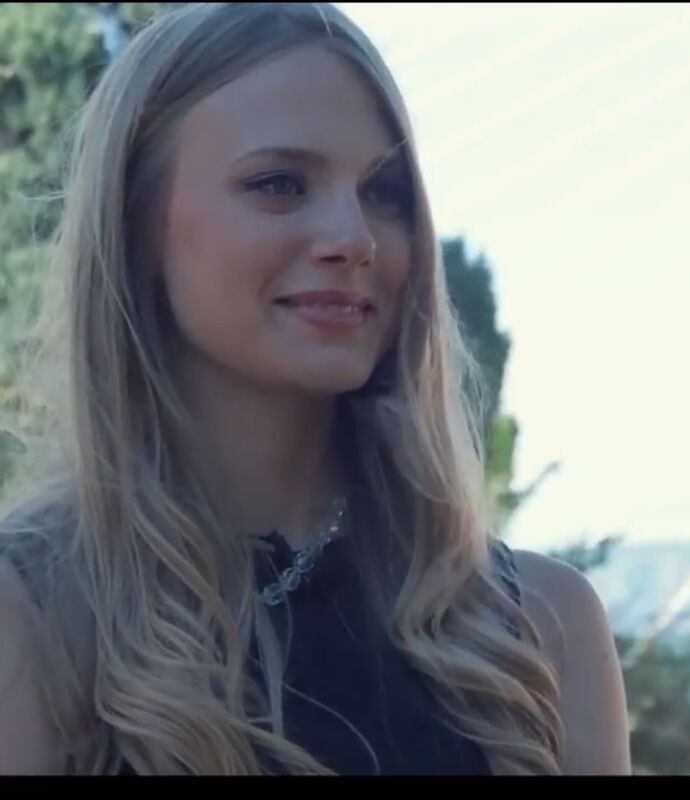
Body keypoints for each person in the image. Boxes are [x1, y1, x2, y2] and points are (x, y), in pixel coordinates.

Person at [0, 2, 630, 775]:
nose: (353, 238)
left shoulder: (541, 630)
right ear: (137, 226)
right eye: (279, 184)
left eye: (384, 191)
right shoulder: (30, 622)